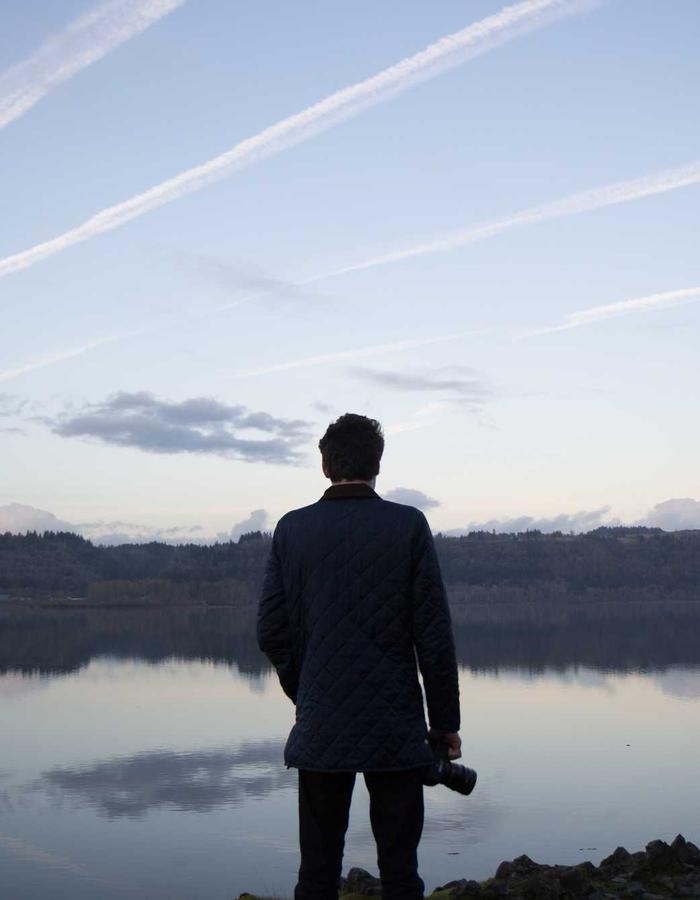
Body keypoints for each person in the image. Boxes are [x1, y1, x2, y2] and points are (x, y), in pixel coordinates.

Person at [257, 413, 461, 900]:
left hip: (322, 723)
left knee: (317, 873)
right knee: (400, 872)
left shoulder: (293, 529)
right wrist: (445, 723)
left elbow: (270, 630)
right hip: (396, 726)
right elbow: (433, 635)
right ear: (378, 464)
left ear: (326, 465)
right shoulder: (408, 525)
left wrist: (305, 690)